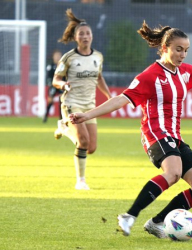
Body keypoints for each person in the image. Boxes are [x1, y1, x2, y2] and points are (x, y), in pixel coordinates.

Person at [69, 21, 192, 238]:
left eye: (186, 50)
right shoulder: (149, 76)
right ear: (165, 48)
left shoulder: (185, 73)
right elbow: (120, 99)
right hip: (155, 133)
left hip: (175, 137)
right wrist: (87, 115)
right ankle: (129, 215)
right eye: (178, 49)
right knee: (173, 173)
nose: (183, 55)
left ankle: (156, 222)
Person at [52, 9, 112, 190]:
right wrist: (64, 86)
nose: (85, 36)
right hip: (72, 103)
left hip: (89, 105)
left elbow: (99, 78)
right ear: (76, 37)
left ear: (92, 36)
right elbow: (55, 80)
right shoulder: (69, 57)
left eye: (88, 33)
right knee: (83, 142)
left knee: (91, 147)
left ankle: (63, 128)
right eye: (81, 34)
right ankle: (81, 181)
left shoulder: (98, 56)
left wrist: (109, 96)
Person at [43, 50, 63, 123]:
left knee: (62, 101)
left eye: (59, 56)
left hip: (61, 85)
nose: (57, 57)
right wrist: (50, 84)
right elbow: (48, 77)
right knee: (50, 101)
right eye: (56, 56)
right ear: (53, 57)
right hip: (53, 85)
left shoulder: (63, 66)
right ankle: (45, 116)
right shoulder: (50, 66)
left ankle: (61, 118)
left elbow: (65, 77)